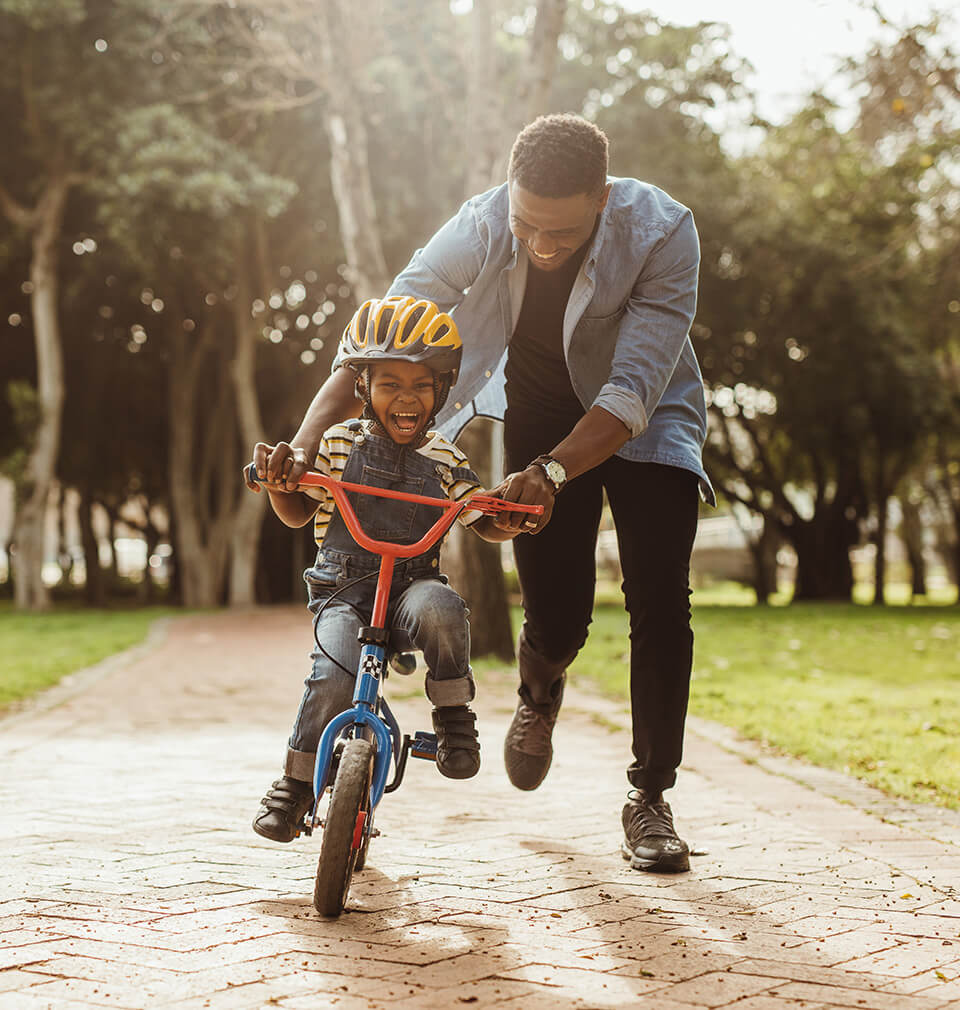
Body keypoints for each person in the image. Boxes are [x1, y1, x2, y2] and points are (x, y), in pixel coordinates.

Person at [260, 113, 714, 872]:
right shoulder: (482, 221)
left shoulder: (664, 232)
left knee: (661, 600)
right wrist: (305, 444)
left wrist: (555, 475)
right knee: (559, 617)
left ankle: (650, 796)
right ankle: (540, 689)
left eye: (561, 235)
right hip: (541, 411)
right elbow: (381, 334)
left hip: (647, 418)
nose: (541, 246)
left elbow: (633, 388)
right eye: (527, 225)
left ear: (602, 198)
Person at [249, 296, 520, 844]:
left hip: (411, 589)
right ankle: (296, 783)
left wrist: (508, 516)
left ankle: (451, 717)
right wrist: (281, 484)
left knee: (443, 610)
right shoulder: (336, 443)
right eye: (390, 383)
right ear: (362, 389)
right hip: (343, 592)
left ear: (442, 391)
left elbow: (479, 517)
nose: (406, 397)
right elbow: (299, 509)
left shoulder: (445, 458)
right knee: (333, 672)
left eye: (422, 385)